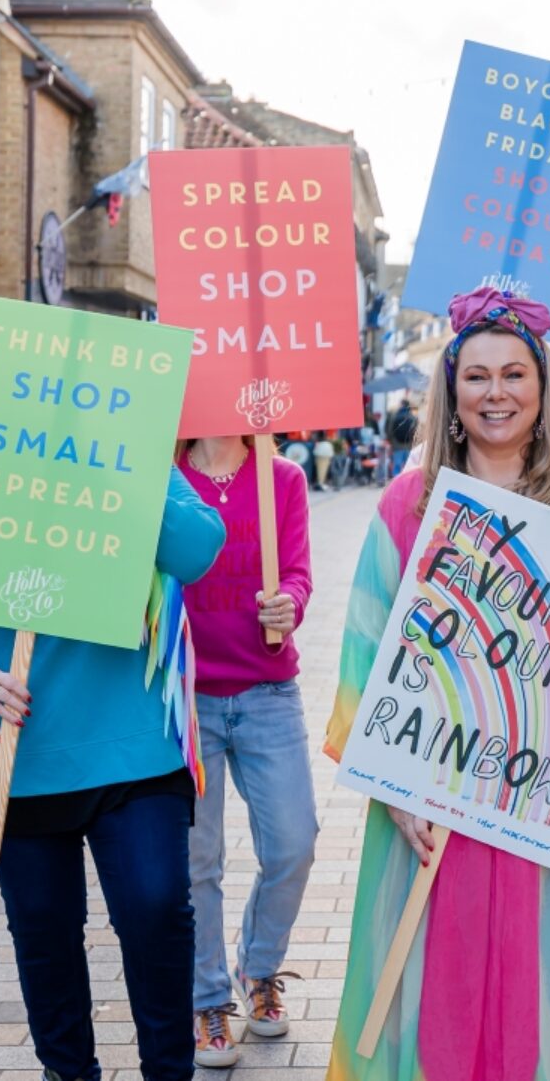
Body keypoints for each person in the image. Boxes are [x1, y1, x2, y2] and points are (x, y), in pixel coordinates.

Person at [323, 289, 550, 1081]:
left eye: (514, 373)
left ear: (543, 385)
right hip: (434, 799)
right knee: (437, 991)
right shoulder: (409, 504)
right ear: (452, 391)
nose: (496, 393)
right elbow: (367, 653)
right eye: (476, 377)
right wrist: (399, 791)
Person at [0, 468, 225, 1081]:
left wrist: (128, 462)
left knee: (157, 911)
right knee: (44, 930)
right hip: (21, 752)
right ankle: (68, 1073)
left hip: (134, 743)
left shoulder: (144, 453)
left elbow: (197, 550)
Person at [175, 434, 318, 1068]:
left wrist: (292, 602)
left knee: (294, 843)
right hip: (186, 696)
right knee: (197, 860)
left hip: (268, 690)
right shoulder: (164, 476)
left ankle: (258, 968)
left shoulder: (281, 477)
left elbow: (298, 572)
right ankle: (207, 999)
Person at [385, 399, 417, 477]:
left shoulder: (394, 416)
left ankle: (396, 484)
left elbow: (389, 431)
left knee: (397, 466)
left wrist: (392, 442)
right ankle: (407, 486)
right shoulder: (413, 417)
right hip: (408, 445)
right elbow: (416, 432)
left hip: (397, 446)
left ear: (401, 405)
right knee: (409, 467)